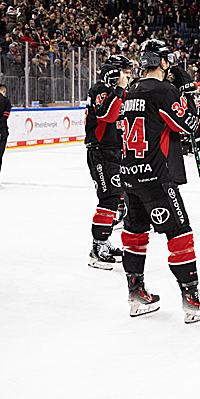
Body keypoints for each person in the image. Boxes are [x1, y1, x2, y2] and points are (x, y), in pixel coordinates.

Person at [120, 39, 200, 323]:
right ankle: (191, 298)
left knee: (135, 234)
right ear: (163, 62)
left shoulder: (130, 91)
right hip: (156, 176)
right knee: (180, 232)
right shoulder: (165, 90)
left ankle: (136, 293)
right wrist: (190, 97)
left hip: (130, 175)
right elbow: (188, 125)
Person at [84, 55, 132, 270]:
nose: (129, 75)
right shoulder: (102, 89)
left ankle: (104, 241)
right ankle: (97, 248)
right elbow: (107, 116)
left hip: (114, 150)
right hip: (101, 151)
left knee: (117, 197)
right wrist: (119, 89)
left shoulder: (115, 90)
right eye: (125, 71)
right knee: (109, 199)